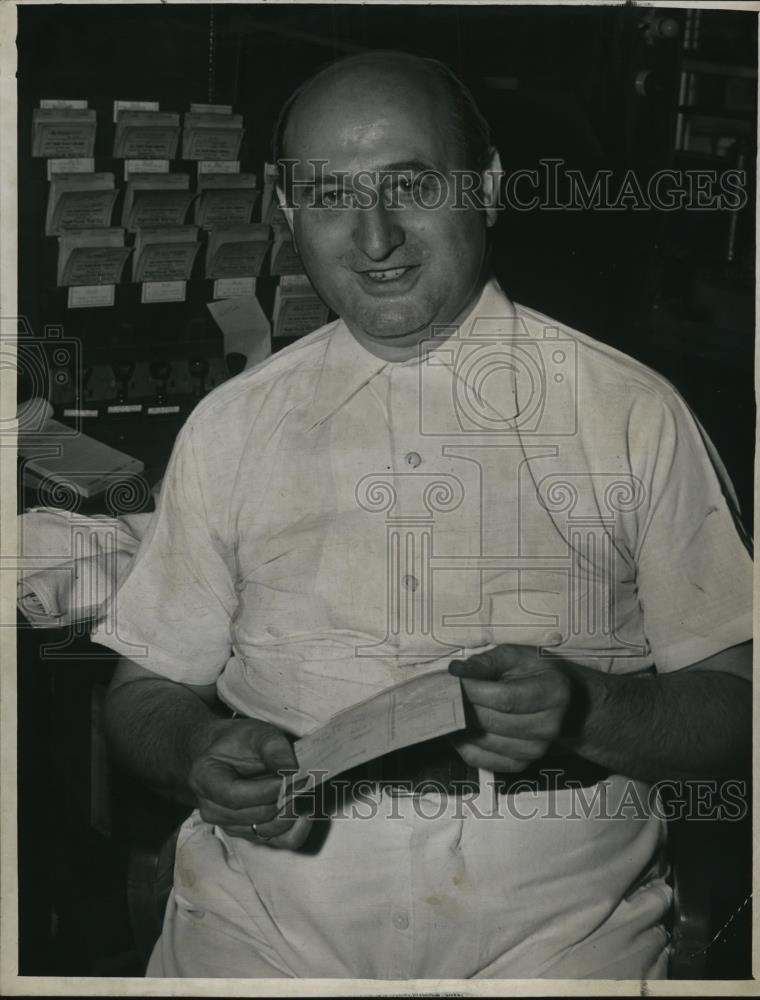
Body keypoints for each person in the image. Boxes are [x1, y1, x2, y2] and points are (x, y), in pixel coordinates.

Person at [100, 51, 752, 980]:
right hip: (263, 929)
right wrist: (197, 744)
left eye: (410, 186)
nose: (374, 240)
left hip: (557, 937)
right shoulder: (233, 424)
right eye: (327, 197)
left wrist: (586, 709)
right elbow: (140, 696)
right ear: (288, 213)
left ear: (485, 188)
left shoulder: (630, 412)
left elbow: (738, 712)